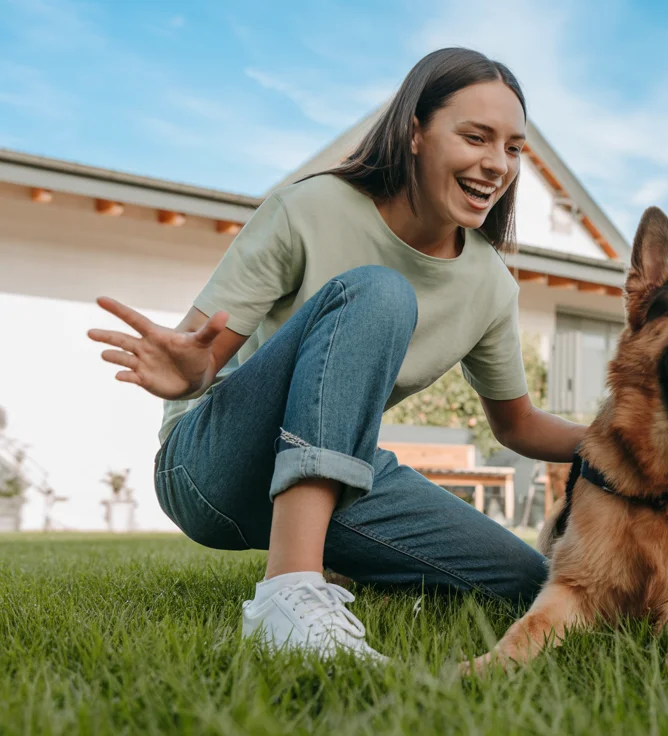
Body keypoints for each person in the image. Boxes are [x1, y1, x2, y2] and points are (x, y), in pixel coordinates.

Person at [88, 48, 584, 660]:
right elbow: (202, 349)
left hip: (337, 479)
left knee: (526, 581)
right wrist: (194, 371)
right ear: (415, 134)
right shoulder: (311, 208)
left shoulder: (489, 285)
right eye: (475, 137)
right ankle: (288, 594)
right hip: (212, 467)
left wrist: (628, 438)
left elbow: (518, 424)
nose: (496, 164)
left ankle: (331, 562)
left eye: (512, 148)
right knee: (378, 293)